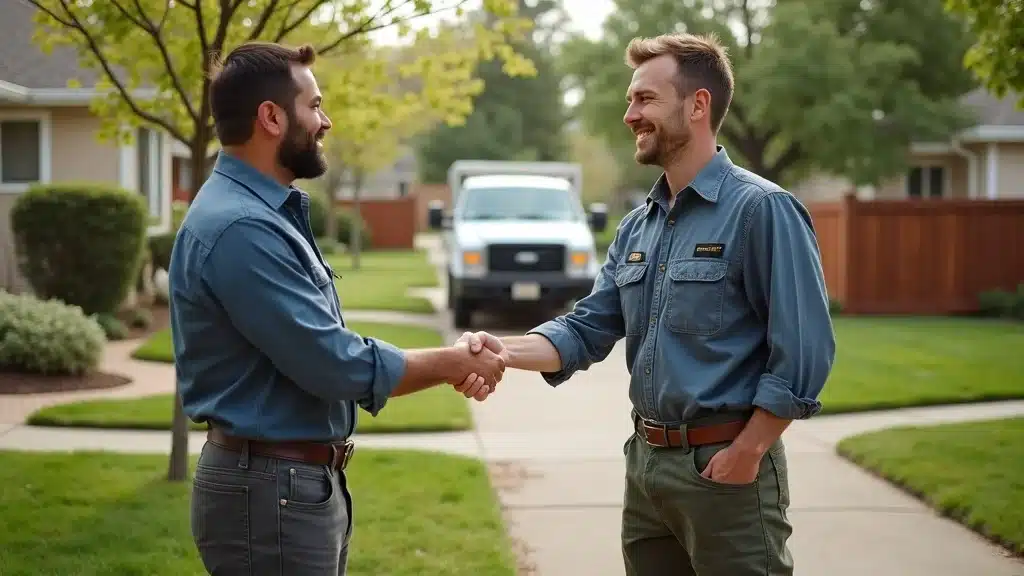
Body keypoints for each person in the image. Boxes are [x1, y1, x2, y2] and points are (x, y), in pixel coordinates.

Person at [459, 32, 836, 576]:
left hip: (725, 471)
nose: (629, 114)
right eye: (631, 99)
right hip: (647, 467)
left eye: (645, 99)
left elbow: (804, 349)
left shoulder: (763, 210)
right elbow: (587, 328)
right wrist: (500, 351)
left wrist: (749, 451)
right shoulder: (640, 225)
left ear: (698, 105)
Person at [167, 41, 506, 576]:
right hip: (269, 489)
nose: (325, 121)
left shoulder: (257, 213)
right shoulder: (242, 228)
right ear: (272, 117)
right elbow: (333, 362)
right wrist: (453, 362)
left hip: (286, 483)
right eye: (315, 106)